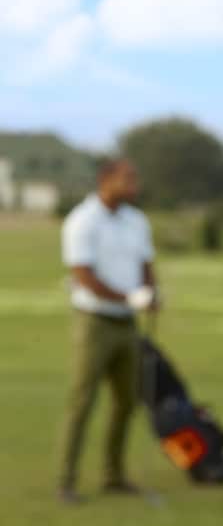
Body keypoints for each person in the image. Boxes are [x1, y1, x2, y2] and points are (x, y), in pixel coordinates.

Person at [58, 157, 158, 504]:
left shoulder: (136, 220)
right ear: (106, 180)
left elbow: (146, 265)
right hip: (95, 321)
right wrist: (131, 297)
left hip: (127, 324)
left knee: (126, 402)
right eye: (127, 178)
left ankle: (113, 475)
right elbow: (83, 276)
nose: (134, 185)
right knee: (82, 401)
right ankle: (66, 480)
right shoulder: (82, 221)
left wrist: (151, 292)